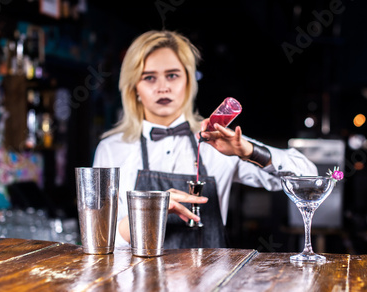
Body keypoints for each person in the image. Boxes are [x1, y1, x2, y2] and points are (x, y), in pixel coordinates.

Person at [93, 30, 317, 249]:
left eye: (172, 75)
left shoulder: (218, 143)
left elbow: (310, 181)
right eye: (149, 77)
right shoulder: (111, 149)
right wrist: (148, 212)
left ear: (188, 83)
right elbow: (98, 241)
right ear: (134, 88)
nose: (163, 87)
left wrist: (248, 151)